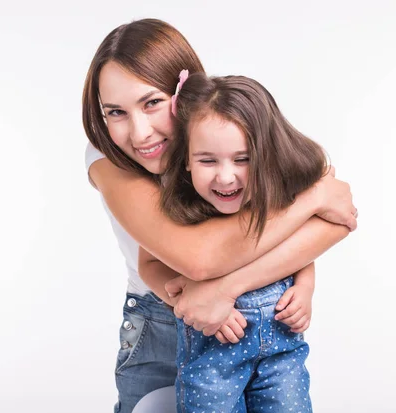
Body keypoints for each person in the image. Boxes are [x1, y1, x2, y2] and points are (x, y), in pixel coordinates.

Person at [83, 18, 357, 412]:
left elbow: (331, 228)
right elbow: (198, 259)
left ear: (182, 95)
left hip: (268, 332)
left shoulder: (225, 141)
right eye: (115, 112)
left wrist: (287, 282)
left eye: (152, 103)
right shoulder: (108, 159)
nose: (140, 133)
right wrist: (312, 200)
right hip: (165, 321)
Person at [139, 72, 334, 412]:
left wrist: (305, 288)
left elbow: (302, 249)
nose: (226, 177)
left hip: (282, 354)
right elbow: (150, 265)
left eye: (242, 159)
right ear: (186, 158)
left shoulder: (278, 202)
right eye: (207, 160)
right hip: (213, 360)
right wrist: (190, 302)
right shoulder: (179, 209)